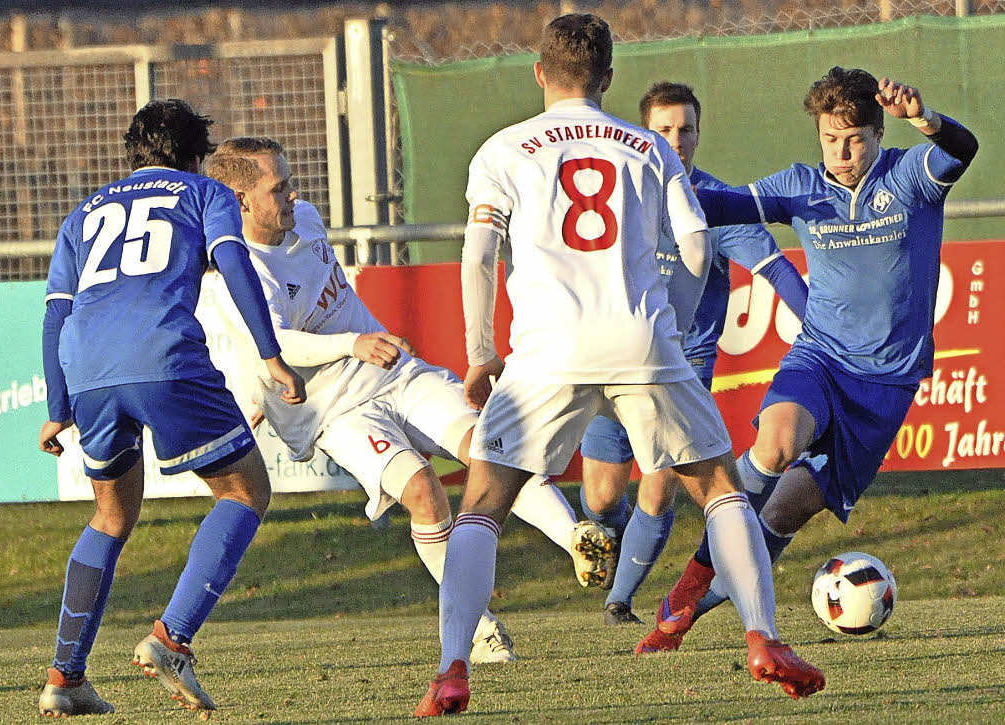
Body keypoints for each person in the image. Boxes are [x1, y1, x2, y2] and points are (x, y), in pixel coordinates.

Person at [414, 14, 825, 717]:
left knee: (484, 504)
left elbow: (480, 254)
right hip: (642, 338)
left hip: (546, 345)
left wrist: (481, 350)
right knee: (719, 485)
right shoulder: (648, 147)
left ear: (540, 73)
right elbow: (696, 247)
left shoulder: (504, 149)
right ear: (607, 79)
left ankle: (454, 667)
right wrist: (676, 325)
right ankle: (764, 637)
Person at [202, 137, 611, 665]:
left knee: (486, 447)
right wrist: (352, 344)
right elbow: (275, 347)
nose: (293, 195)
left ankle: (575, 537)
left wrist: (367, 339)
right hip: (333, 409)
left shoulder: (304, 219)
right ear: (240, 200)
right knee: (422, 492)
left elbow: (327, 299)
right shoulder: (239, 272)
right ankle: (478, 628)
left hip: (392, 370)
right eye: (277, 188)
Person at [651, 67, 979, 652]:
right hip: (820, 357)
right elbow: (722, 202)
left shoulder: (910, 177)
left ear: (878, 133)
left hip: (886, 384)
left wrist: (925, 119)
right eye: (830, 139)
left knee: (782, 516)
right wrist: (648, 185)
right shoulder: (802, 185)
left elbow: (963, 148)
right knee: (774, 445)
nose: (842, 152)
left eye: (854, 139)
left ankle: (692, 613)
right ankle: (691, 581)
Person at [37, 100, 306, 717]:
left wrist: (58, 403)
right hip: (163, 354)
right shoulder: (205, 192)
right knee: (243, 492)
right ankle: (172, 639)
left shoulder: (84, 212)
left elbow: (56, 311)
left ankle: (65, 676)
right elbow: (234, 264)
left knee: (110, 515)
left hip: (88, 368)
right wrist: (270, 355)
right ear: (192, 154)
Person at [578, 81, 809, 628]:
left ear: (699, 135)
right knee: (602, 496)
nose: (675, 140)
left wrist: (819, 323)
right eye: (663, 129)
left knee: (660, 485)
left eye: (685, 130)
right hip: (614, 360)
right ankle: (613, 529)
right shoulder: (618, 197)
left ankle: (620, 603)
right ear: (643, 133)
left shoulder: (715, 203)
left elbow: (774, 268)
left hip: (682, 368)